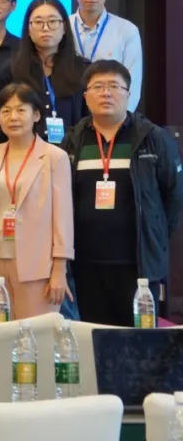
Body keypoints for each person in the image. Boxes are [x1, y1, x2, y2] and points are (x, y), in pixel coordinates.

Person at [61, 60, 182, 326]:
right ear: (86, 96)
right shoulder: (73, 140)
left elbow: (173, 197)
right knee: (95, 337)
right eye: (98, 87)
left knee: (140, 339)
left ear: (128, 93)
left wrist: (155, 234)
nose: (106, 93)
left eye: (114, 86)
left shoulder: (153, 138)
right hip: (86, 264)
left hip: (138, 265)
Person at [0, 83, 74, 320]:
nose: (13, 117)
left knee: (34, 335)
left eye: (21, 110)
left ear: (36, 115)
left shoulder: (54, 157)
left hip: (37, 267)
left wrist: (59, 270)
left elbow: (63, 218)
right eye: (5, 111)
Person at [0, 0, 88, 145]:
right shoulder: (11, 71)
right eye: (38, 22)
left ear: (64, 27)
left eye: (52, 21)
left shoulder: (83, 69)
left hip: (73, 151)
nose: (45, 28)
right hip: (24, 151)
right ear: (28, 29)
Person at [69, 0, 143, 111]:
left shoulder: (127, 31)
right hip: (69, 113)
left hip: (110, 114)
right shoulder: (62, 27)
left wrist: (120, 121)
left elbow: (132, 86)